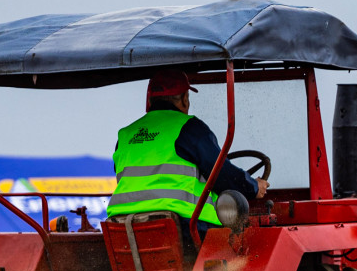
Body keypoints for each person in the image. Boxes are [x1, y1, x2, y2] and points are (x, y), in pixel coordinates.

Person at [107, 69, 269, 251]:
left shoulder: (125, 135)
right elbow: (221, 175)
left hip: (122, 228)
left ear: (150, 100)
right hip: (182, 227)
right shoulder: (190, 128)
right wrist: (253, 187)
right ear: (184, 98)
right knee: (245, 245)